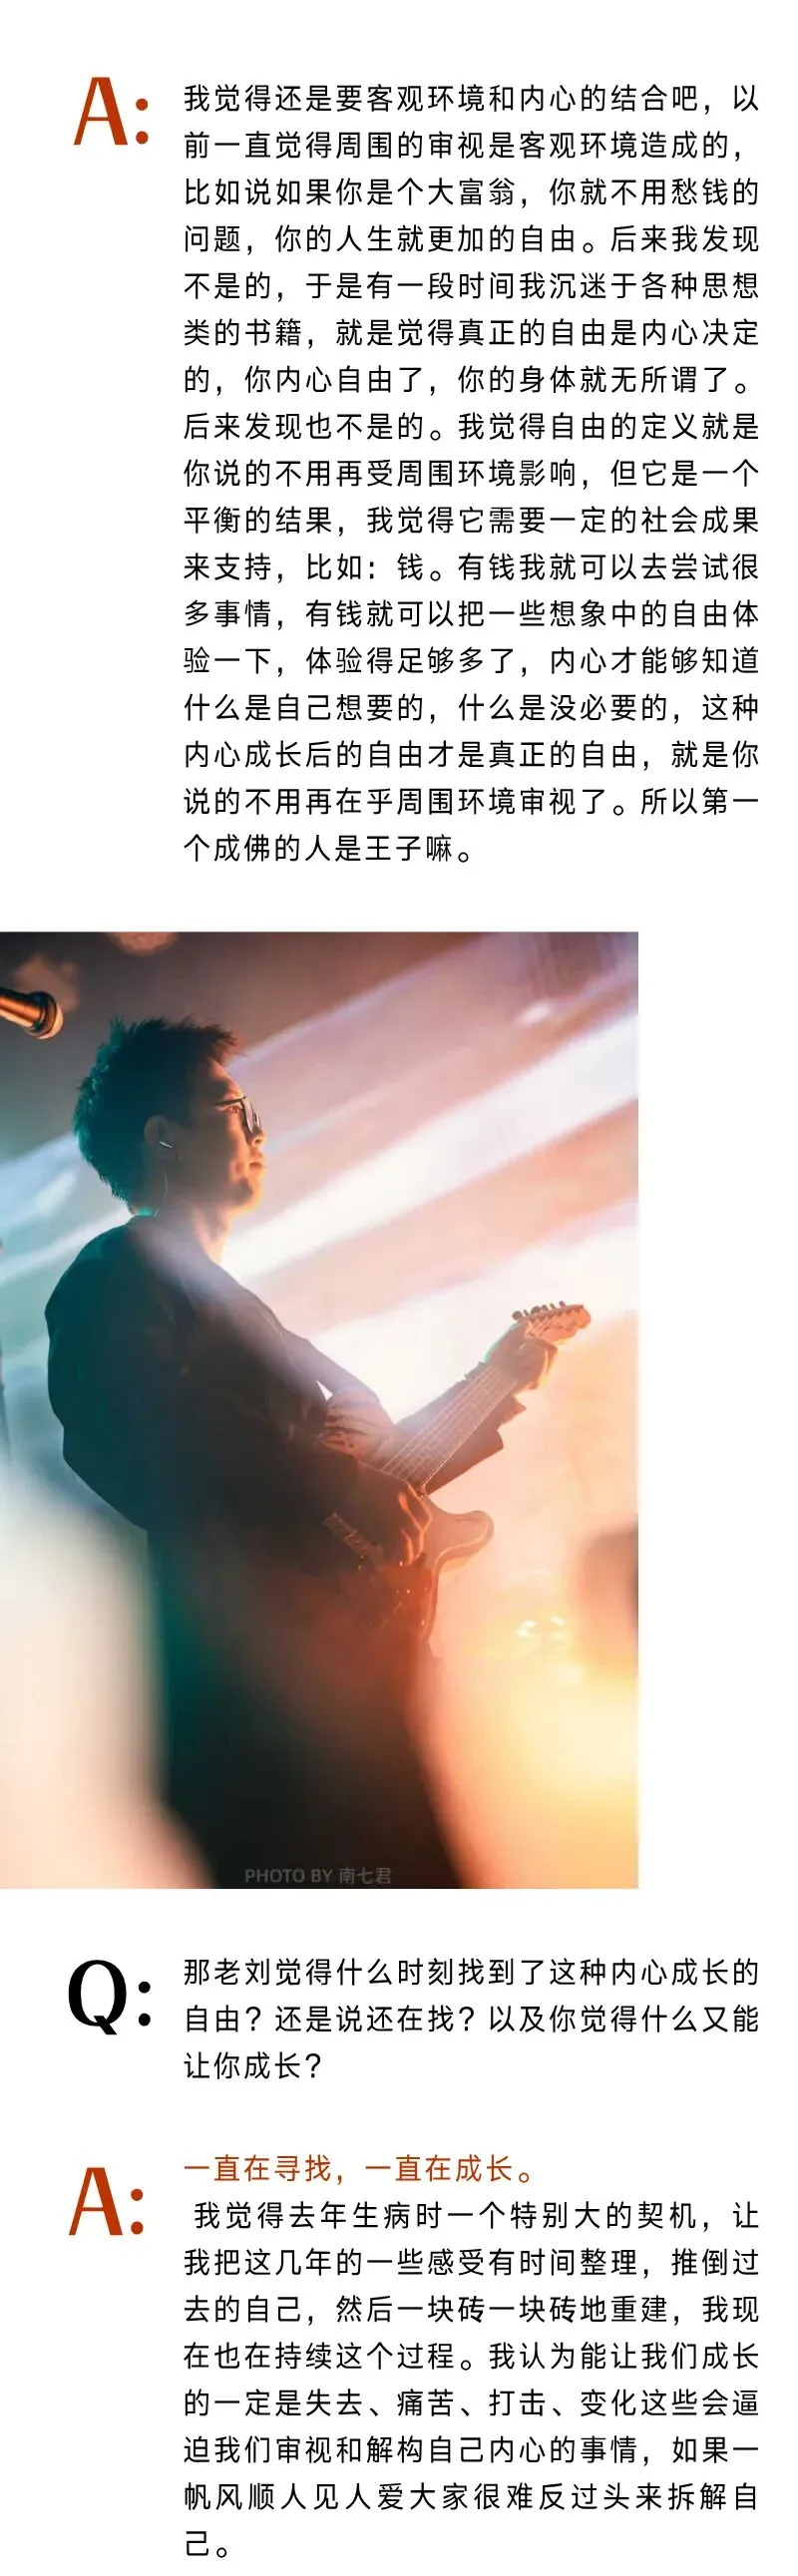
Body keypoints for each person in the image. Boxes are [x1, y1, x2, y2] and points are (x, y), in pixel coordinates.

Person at [46, 1017, 555, 1888]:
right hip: (265, 1715)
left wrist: (498, 1380)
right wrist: (335, 1479)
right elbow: (146, 1439)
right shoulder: (111, 1279)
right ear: (163, 1135)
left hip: (348, 1695)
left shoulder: (236, 1313)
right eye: (234, 1107)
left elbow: (375, 1482)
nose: (259, 1130)